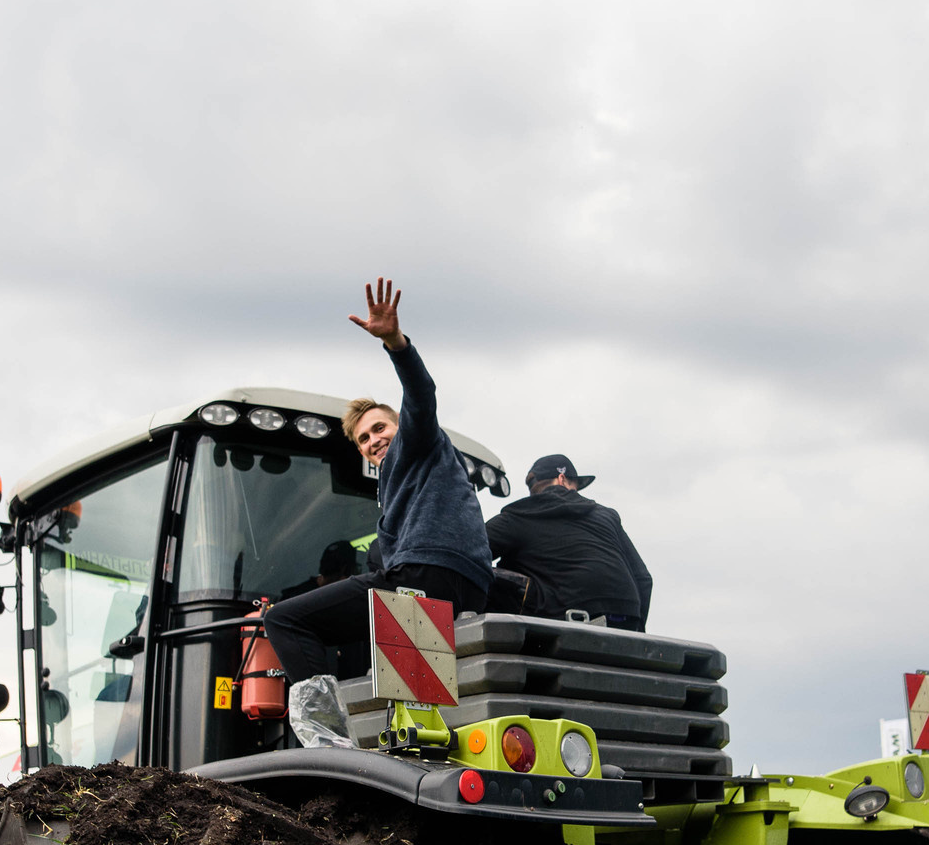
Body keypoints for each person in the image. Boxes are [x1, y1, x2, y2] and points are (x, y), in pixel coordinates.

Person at [263, 279, 494, 697]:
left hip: (426, 574)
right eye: (364, 440)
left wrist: (395, 343)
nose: (373, 441)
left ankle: (328, 734)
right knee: (418, 697)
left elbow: (421, 394)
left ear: (398, 426)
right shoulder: (396, 488)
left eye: (379, 428)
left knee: (285, 620)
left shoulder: (418, 441)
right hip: (460, 583)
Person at [485, 454, 652, 631]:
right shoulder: (606, 516)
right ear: (562, 479)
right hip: (627, 617)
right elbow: (643, 578)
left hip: (566, 618)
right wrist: (638, 632)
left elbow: (471, 550)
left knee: (489, 574)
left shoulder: (518, 516)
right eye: (576, 486)